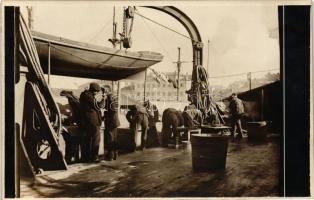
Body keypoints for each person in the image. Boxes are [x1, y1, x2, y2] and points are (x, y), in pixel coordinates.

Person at [79, 83, 104, 163]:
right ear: (94, 91)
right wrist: (104, 97)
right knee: (96, 140)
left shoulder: (85, 95)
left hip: (88, 121)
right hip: (92, 121)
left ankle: (86, 158)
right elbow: (99, 106)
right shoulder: (88, 96)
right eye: (96, 91)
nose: (96, 93)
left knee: (88, 140)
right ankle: (94, 157)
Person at [102, 85, 120, 161]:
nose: (102, 92)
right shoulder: (114, 97)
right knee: (114, 138)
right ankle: (115, 155)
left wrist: (104, 116)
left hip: (111, 121)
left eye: (103, 91)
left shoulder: (109, 98)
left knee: (110, 138)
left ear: (107, 90)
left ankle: (110, 156)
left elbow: (110, 110)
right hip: (115, 121)